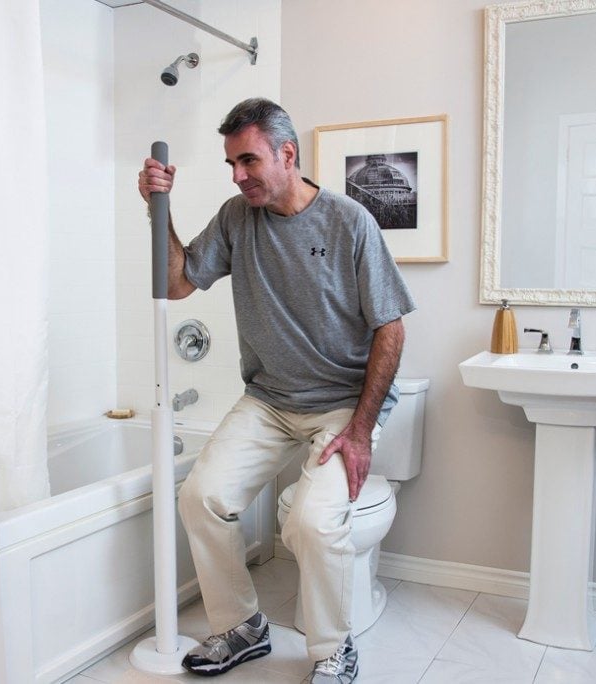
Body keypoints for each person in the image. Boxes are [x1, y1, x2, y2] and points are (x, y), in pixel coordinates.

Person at [137, 98, 415, 684]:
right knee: (201, 497)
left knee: (312, 522)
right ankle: (242, 627)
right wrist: (157, 208)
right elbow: (177, 282)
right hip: (268, 399)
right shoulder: (239, 217)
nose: (238, 176)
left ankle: (333, 650)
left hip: (341, 403)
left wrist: (361, 430)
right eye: (231, 163)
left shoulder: (349, 221)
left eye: (248, 161)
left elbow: (391, 327)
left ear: (287, 154)